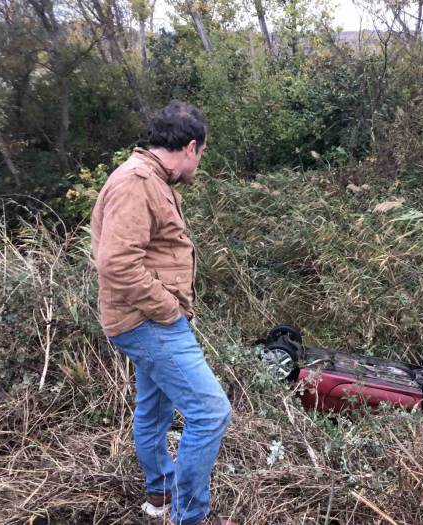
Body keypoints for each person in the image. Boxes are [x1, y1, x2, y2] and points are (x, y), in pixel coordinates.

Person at [91, 101, 236, 525]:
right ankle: (189, 516)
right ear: (191, 147)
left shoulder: (150, 177)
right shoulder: (137, 183)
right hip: (147, 322)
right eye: (202, 154)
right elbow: (116, 263)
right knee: (211, 413)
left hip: (143, 319)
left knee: (153, 410)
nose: (199, 163)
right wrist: (169, 309)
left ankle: (161, 493)